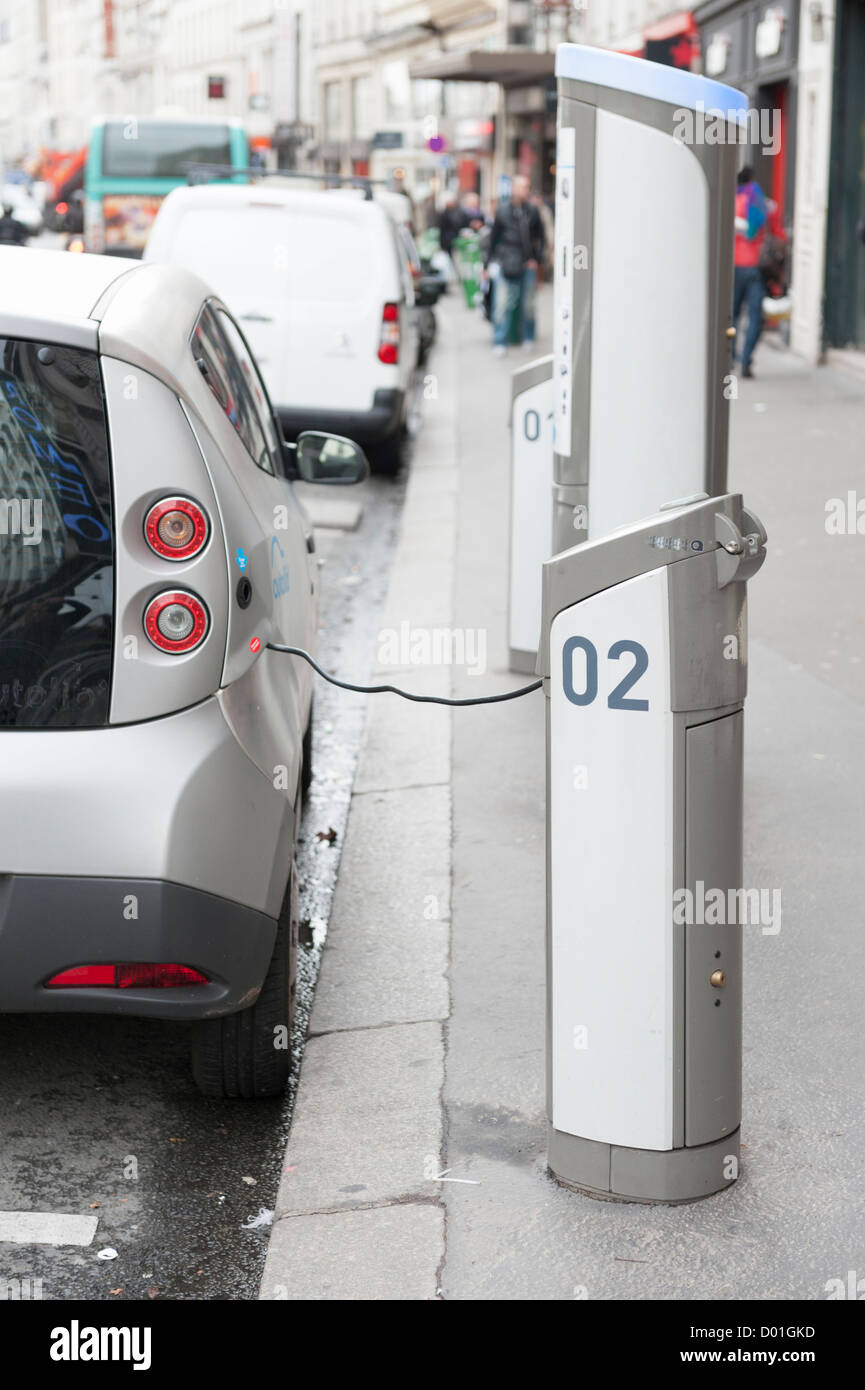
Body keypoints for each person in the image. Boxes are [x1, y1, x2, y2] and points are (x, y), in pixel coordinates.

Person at [732, 165, 785, 379]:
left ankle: (729, 358)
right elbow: (777, 232)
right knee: (755, 317)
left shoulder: (733, 202)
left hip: (735, 265)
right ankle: (746, 360)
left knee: (733, 315)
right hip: (755, 267)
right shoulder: (759, 202)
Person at [485, 175, 545, 356]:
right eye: (521, 187)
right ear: (513, 189)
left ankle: (528, 337)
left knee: (528, 305)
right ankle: (500, 340)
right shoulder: (502, 211)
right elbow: (493, 239)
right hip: (506, 263)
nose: (524, 191)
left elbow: (540, 238)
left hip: (526, 264)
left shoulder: (532, 211)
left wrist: (536, 260)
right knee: (501, 305)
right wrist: (487, 265)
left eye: (527, 187)